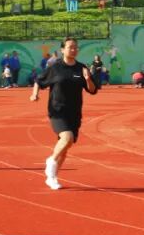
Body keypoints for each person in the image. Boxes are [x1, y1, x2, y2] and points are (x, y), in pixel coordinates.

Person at [30, 37, 98, 190]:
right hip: (57, 110)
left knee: (66, 146)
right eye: (70, 47)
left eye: (75, 47)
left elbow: (93, 90)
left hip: (74, 112)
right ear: (62, 50)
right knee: (67, 137)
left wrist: (88, 79)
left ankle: (52, 177)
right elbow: (39, 81)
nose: (73, 50)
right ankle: (51, 160)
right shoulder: (55, 67)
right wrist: (35, 94)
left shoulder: (81, 68)